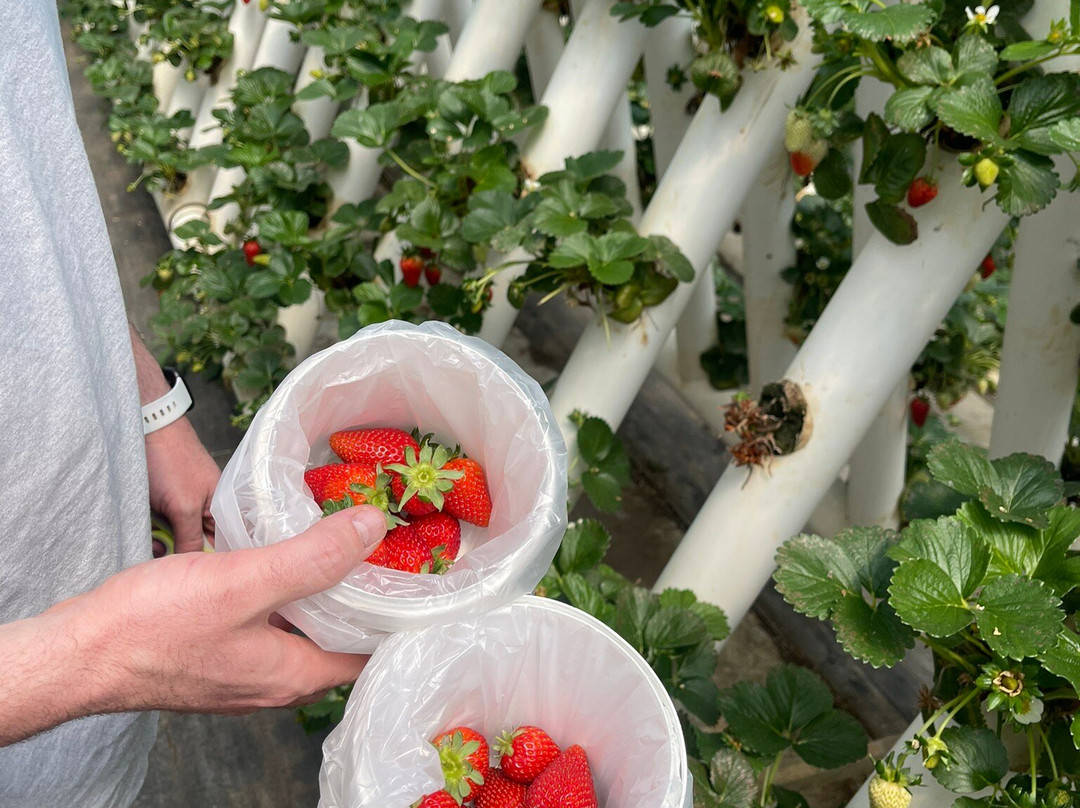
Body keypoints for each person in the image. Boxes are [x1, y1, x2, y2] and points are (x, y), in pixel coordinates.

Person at [0, 3, 386, 806]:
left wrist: (145, 400)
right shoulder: (104, 659)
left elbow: (28, 190)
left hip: (87, 713)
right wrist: (98, 659)